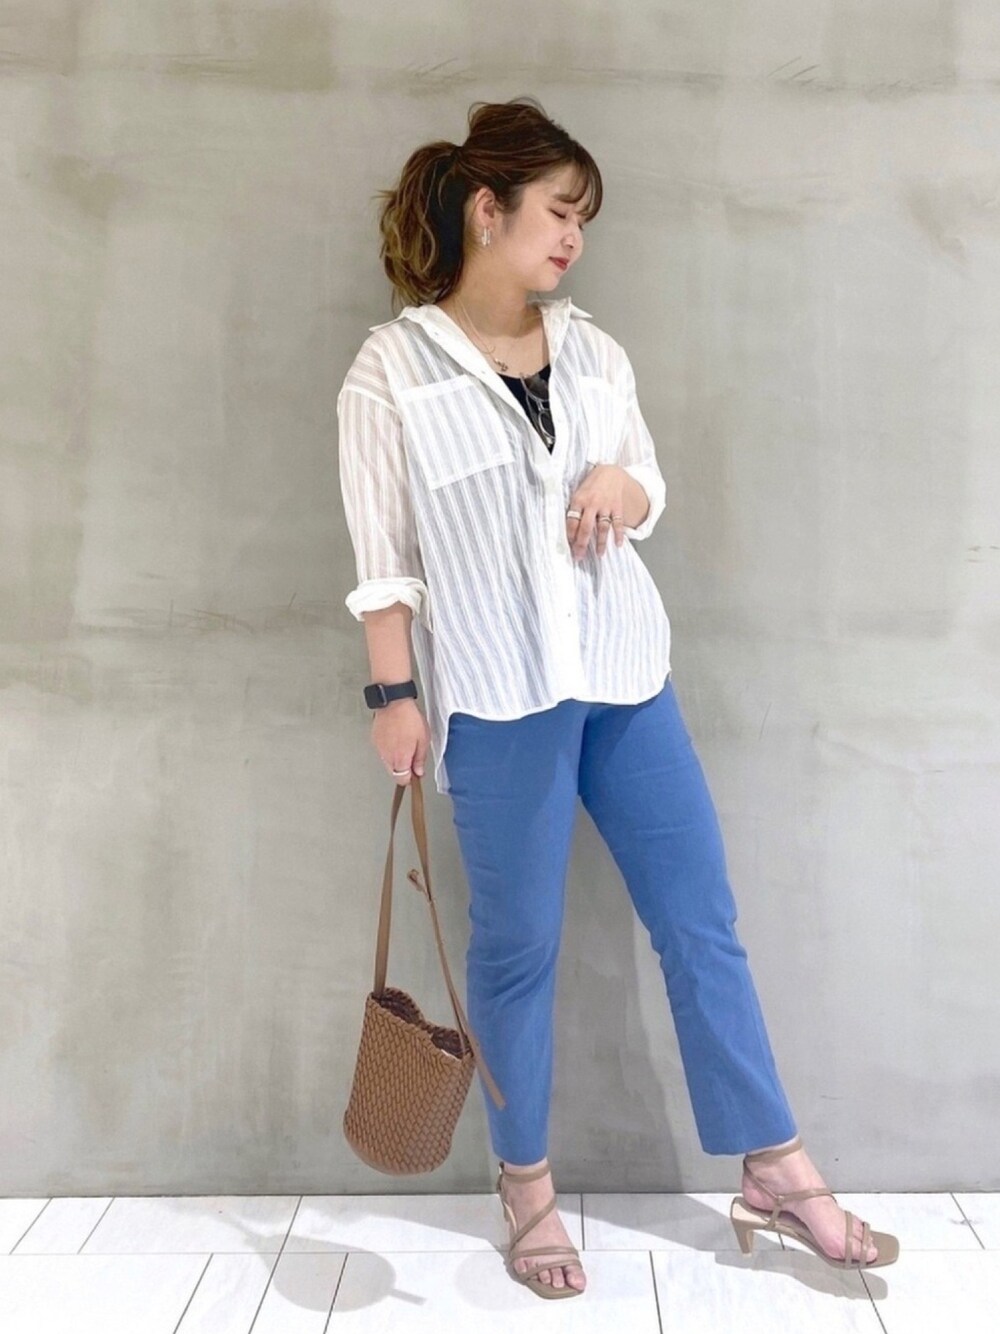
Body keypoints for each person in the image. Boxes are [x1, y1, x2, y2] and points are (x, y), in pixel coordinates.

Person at [336, 96, 899, 1300]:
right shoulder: (393, 369)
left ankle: (773, 1161)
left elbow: (645, 480)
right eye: (557, 211)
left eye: (581, 218)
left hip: (626, 675)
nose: (573, 237)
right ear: (484, 211)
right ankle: (526, 1183)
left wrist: (618, 484)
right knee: (517, 949)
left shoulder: (593, 350)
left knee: (700, 921)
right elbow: (384, 558)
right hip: (500, 696)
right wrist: (394, 692)